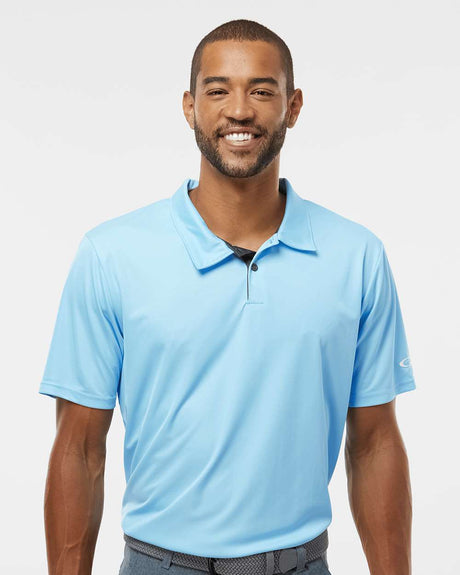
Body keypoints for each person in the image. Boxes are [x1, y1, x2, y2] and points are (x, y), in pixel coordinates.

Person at [39, 19, 417, 575]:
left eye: (261, 91)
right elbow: (79, 450)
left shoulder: (357, 256)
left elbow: (375, 442)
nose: (239, 110)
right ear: (190, 107)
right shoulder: (111, 255)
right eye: (218, 90)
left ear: (293, 106)